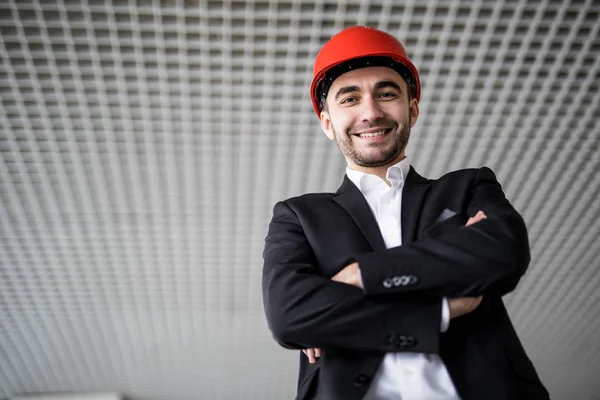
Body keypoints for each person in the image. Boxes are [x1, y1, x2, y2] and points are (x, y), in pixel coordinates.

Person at [262, 26, 549, 400]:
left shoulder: (468, 186)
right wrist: (441, 310)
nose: (371, 111)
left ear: (412, 109)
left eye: (386, 93)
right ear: (328, 123)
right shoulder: (298, 216)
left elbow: (504, 251)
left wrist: (359, 277)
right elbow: (289, 316)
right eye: (350, 99)